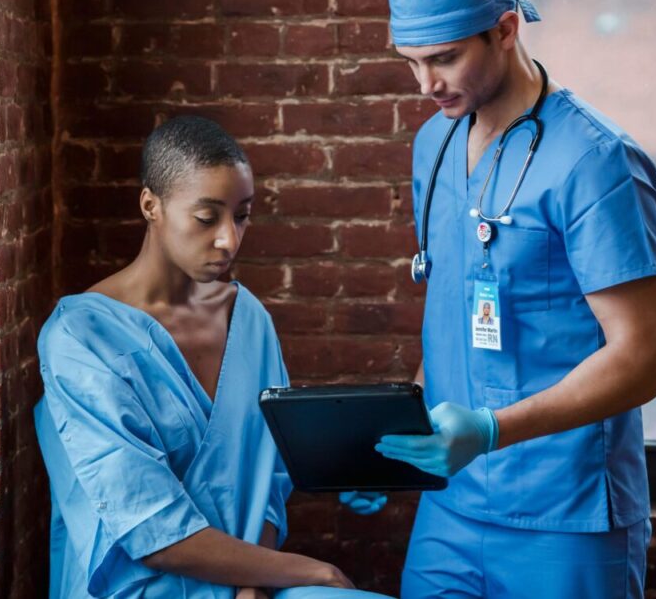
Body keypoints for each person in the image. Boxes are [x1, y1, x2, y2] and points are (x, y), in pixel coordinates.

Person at [343, 0, 656, 598]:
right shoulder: (434, 144)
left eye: (444, 58)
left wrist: (494, 430)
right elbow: (453, 314)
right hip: (452, 508)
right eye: (410, 62)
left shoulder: (595, 162)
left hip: (566, 514)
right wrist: (401, 444)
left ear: (506, 29)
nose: (425, 84)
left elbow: (648, 355)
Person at [35, 116, 393, 598]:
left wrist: (256, 583)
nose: (229, 239)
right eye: (207, 217)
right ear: (151, 206)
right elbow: (148, 528)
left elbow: (269, 477)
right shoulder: (81, 338)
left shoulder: (249, 319)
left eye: (241, 215)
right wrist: (310, 571)